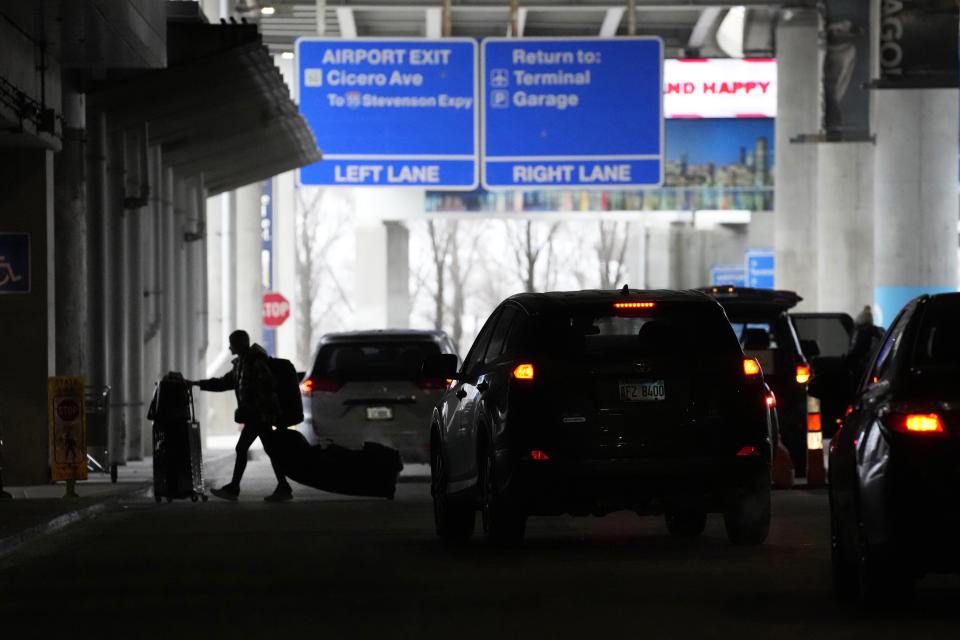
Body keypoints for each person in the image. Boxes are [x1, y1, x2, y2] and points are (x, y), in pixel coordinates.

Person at [189, 330, 293, 502]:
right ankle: (282, 486)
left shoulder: (255, 363)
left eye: (232, 343)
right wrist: (196, 384)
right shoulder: (242, 365)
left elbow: (267, 387)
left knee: (244, 448)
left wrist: (258, 410)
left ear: (240, 344)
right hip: (257, 415)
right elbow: (223, 383)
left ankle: (235, 488)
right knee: (268, 449)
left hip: (259, 415)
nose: (229, 347)